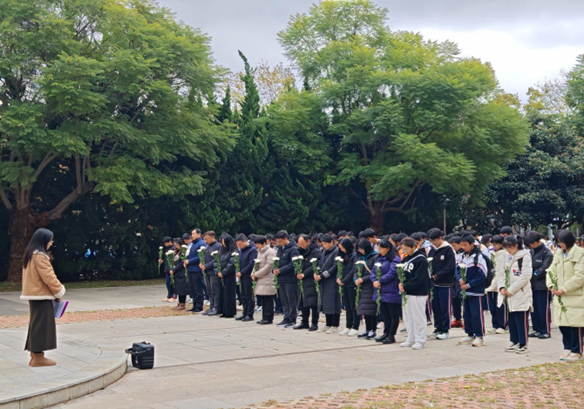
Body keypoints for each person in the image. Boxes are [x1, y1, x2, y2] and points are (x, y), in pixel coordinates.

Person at [21, 228, 65, 367]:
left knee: (36, 325)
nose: (51, 243)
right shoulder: (40, 257)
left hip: (35, 295)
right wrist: (59, 292)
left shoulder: (30, 255)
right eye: (50, 240)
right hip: (41, 296)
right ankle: (38, 358)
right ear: (44, 241)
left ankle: (35, 356)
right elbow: (49, 277)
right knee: (42, 326)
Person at [546, 230, 584, 362]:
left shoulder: (580, 254)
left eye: (561, 242)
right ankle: (567, 347)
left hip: (575, 295)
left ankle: (577, 350)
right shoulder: (558, 253)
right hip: (560, 295)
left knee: (575, 324)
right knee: (563, 323)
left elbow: (580, 276)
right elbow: (551, 271)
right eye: (558, 242)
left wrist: (564, 288)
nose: (559, 244)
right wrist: (551, 285)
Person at [498, 235, 533, 354]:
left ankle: (523, 343)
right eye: (506, 248)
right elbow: (501, 273)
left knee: (521, 318)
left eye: (510, 247)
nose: (508, 250)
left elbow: (526, 276)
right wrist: (502, 287)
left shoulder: (525, 256)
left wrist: (511, 289)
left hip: (520, 293)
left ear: (516, 246)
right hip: (508, 294)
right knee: (511, 319)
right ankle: (514, 341)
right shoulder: (505, 256)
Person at [399, 237, 430, 350]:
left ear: (413, 247)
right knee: (408, 317)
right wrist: (400, 283)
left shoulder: (421, 259)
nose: (405, 251)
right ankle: (411, 338)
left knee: (418, 317)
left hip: (418, 292)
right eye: (403, 249)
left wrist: (406, 286)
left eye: (406, 249)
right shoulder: (406, 258)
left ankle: (420, 340)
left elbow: (419, 278)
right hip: (407, 292)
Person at [457, 234, 488, 347]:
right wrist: (460, 279)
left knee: (476, 314)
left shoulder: (478, 257)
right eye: (462, 245)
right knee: (467, 314)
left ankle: (479, 336)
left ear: (471, 244)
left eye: (465, 245)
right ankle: (470, 334)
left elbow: (482, 275)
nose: (463, 247)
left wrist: (469, 284)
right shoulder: (461, 256)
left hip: (476, 291)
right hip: (465, 291)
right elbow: (457, 270)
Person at [428, 228, 456, 340]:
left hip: (445, 283)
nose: (433, 243)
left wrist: (437, 276)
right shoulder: (432, 250)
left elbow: (450, 267)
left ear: (440, 238)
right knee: (436, 307)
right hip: (434, 284)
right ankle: (438, 327)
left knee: (445, 307)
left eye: (434, 240)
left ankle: (445, 329)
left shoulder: (448, 249)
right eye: (431, 241)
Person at [371, 239, 402, 344]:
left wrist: (380, 281)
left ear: (388, 248)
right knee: (385, 314)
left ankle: (391, 335)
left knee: (393, 314)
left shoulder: (395, 259)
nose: (379, 251)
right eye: (378, 249)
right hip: (381, 290)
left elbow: (392, 273)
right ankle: (386, 333)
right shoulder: (379, 258)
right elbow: (373, 271)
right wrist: (374, 280)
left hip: (391, 289)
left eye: (381, 249)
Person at [524, 231, 553, 339]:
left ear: (538, 241)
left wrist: (534, 273)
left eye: (532, 243)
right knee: (534, 309)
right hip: (531, 285)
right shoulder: (531, 252)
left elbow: (544, 268)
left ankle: (545, 330)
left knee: (543, 309)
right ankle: (536, 329)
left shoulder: (547, 253)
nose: (531, 245)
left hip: (542, 285)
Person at [294, 235, 322, 331]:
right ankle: (304, 322)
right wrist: (297, 272)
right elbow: (297, 263)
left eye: (302, 244)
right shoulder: (300, 251)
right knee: (303, 302)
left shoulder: (315, 251)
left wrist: (304, 274)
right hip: (302, 280)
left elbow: (315, 265)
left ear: (308, 241)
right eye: (299, 244)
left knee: (313, 302)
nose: (301, 246)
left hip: (311, 279)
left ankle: (314, 323)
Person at [273, 230, 301, 328]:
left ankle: (292, 319)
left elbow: (294, 264)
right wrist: (274, 269)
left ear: (285, 238)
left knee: (291, 300)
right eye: (277, 242)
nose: (278, 243)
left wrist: (281, 270)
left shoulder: (293, 249)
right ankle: (286, 317)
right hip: (281, 279)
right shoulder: (280, 249)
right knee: (284, 300)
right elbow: (277, 261)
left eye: (280, 241)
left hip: (290, 279)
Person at [317, 234, 341, 334]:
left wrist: (323, 275)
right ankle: (328, 324)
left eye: (326, 244)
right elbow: (320, 263)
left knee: (334, 303)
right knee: (325, 303)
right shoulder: (323, 251)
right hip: (323, 281)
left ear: (332, 242)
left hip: (332, 280)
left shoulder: (336, 251)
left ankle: (334, 325)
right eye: (323, 244)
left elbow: (335, 267)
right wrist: (317, 272)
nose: (324, 246)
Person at [355, 239, 379, 340]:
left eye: (361, 249)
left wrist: (363, 279)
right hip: (362, 286)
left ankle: (373, 329)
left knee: (371, 309)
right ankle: (367, 329)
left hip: (371, 286)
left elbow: (375, 273)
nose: (360, 251)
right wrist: (355, 279)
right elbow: (355, 270)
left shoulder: (375, 257)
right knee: (365, 309)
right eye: (359, 249)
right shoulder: (360, 257)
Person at [337, 238, 360, 336]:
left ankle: (355, 326)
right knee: (347, 306)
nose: (342, 250)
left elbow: (353, 270)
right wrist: (338, 278)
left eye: (343, 248)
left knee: (353, 306)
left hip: (351, 283)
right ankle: (348, 325)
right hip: (344, 283)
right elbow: (339, 267)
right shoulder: (342, 255)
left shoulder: (354, 255)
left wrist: (344, 280)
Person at [252, 235, 277, 325]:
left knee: (268, 298)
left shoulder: (270, 251)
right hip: (261, 278)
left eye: (258, 244)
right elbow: (256, 264)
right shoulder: (259, 252)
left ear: (264, 243)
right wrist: (253, 273)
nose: (257, 246)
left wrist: (257, 274)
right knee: (263, 298)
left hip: (267, 278)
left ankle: (268, 318)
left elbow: (269, 266)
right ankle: (264, 317)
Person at [486, 235, 508, 334]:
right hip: (491, 284)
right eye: (493, 244)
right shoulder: (492, 253)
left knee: (500, 306)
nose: (495, 246)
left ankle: (503, 325)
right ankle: (494, 324)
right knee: (492, 307)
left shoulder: (504, 254)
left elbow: (501, 271)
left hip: (499, 284)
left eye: (497, 244)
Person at [235, 234, 258, 322]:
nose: (239, 246)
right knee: (243, 295)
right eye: (237, 245)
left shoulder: (252, 250)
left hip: (248, 276)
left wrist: (242, 272)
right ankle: (244, 313)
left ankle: (249, 314)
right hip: (241, 275)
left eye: (240, 244)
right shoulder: (242, 250)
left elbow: (251, 264)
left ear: (245, 241)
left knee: (249, 296)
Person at [200, 231, 222, 316]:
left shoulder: (218, 246)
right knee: (209, 290)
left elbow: (217, 259)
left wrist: (206, 266)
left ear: (212, 237)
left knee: (215, 290)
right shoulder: (207, 246)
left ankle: (216, 307)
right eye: (204, 239)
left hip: (213, 271)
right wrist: (201, 263)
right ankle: (211, 306)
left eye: (207, 239)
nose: (206, 241)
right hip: (207, 272)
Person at [184, 228, 205, 313]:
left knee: (198, 288)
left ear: (199, 234)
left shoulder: (201, 243)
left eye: (193, 233)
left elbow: (200, 256)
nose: (192, 235)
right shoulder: (193, 244)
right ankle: (195, 304)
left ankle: (199, 306)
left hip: (196, 269)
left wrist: (189, 261)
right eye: (191, 234)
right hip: (190, 269)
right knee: (192, 289)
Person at [218, 233, 237, 318]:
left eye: (224, 241)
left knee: (228, 293)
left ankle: (229, 311)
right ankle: (223, 310)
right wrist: (218, 271)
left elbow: (231, 263)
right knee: (222, 293)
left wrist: (224, 272)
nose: (223, 243)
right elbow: (216, 261)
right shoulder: (221, 250)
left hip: (229, 275)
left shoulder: (233, 251)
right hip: (221, 274)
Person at [448, 235, 464, 328]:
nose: (453, 247)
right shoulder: (452, 253)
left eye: (454, 245)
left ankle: (466, 319)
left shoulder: (464, 254)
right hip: (453, 279)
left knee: (462, 299)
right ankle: (457, 319)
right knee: (455, 299)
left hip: (461, 279)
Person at [170, 238, 189, 311]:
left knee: (182, 289)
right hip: (176, 273)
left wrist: (174, 269)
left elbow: (181, 263)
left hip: (181, 272)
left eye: (177, 245)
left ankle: (182, 304)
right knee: (178, 288)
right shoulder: (176, 252)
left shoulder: (183, 252)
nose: (176, 246)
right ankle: (179, 302)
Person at [159, 236, 175, 302]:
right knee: (168, 283)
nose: (165, 244)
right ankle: (169, 295)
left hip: (172, 268)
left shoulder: (173, 248)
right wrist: (162, 261)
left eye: (166, 243)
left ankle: (173, 296)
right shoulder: (167, 249)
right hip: (167, 268)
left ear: (170, 242)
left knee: (172, 283)